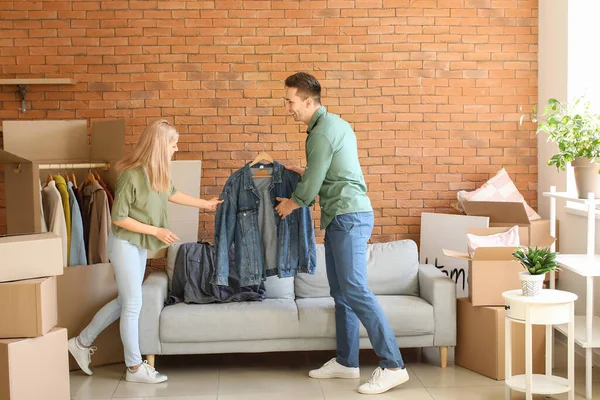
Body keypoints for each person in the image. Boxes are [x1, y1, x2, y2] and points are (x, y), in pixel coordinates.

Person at [275, 72, 409, 395]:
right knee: (342, 293)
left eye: (291, 102)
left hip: (348, 216)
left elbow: (310, 190)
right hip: (344, 215)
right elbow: (332, 171)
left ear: (308, 102)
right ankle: (347, 362)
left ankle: (393, 365)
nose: (288, 108)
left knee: (354, 288)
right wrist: (304, 172)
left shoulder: (320, 134)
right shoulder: (336, 124)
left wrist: (292, 204)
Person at [68, 120, 222, 384]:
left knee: (125, 302)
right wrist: (156, 231)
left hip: (137, 245)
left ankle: (81, 344)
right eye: (173, 144)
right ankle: (134, 368)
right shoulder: (132, 174)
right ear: (160, 145)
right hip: (125, 243)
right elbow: (119, 218)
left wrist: (205, 205)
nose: (176, 149)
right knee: (132, 306)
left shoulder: (158, 171)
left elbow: (172, 193)